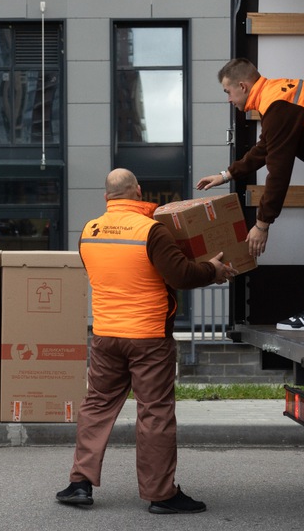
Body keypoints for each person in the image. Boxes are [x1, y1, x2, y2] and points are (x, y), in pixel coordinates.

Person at [56, 169, 236, 514]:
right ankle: (161, 494)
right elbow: (181, 275)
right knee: (154, 413)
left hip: (106, 335)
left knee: (97, 405)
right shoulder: (152, 230)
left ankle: (79, 483)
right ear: (137, 191)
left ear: (106, 197)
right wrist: (212, 270)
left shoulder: (89, 231)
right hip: (148, 337)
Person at [196, 58, 304, 257]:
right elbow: (265, 148)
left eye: (228, 92)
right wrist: (226, 175)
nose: (229, 100)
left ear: (242, 86)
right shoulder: (274, 94)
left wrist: (262, 224)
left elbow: (279, 171)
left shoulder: (277, 105)